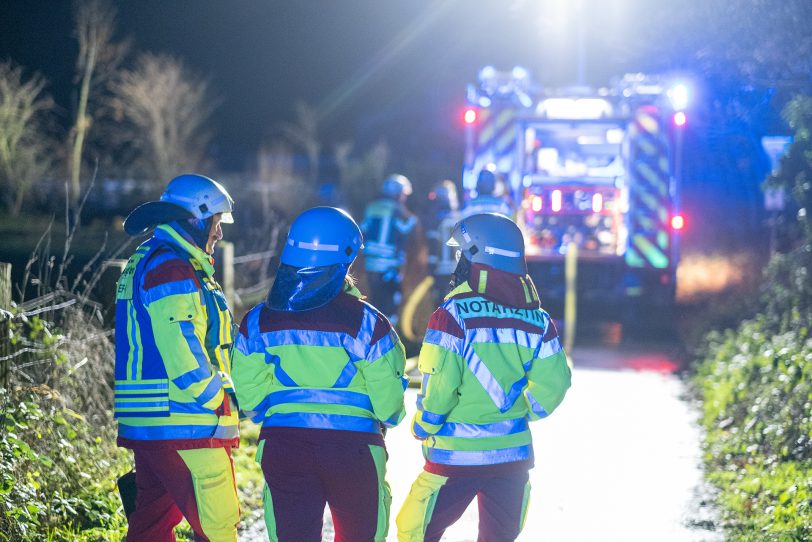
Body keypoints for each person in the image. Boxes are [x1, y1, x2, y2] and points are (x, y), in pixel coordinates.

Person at [231, 206, 408, 542]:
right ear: (346, 261)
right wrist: (388, 416)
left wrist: (275, 412)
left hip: (283, 446)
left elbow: (251, 399)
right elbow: (390, 407)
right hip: (353, 450)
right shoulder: (369, 323)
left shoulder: (257, 321)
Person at [396, 213, 572, 542]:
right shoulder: (538, 319)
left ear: (477, 261)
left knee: (414, 531)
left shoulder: (452, 315)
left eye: (463, 255)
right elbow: (556, 383)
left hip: (454, 457)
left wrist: (425, 424)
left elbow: (441, 386)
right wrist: (523, 412)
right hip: (513, 456)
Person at [114, 173, 240, 541]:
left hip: (152, 423)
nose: (218, 233)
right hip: (188, 421)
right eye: (216, 224)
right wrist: (218, 400)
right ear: (196, 220)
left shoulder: (151, 259)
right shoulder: (172, 267)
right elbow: (181, 348)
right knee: (218, 527)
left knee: (150, 528)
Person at [360, 173, 421, 325]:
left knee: (375, 301)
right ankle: (388, 337)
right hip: (390, 266)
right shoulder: (399, 212)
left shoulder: (371, 208)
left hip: (371, 264)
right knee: (390, 305)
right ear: (399, 194)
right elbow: (409, 231)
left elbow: (363, 230)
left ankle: (372, 334)